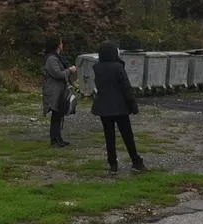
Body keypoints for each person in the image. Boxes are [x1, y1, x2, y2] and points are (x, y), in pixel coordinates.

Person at [90, 42, 147, 175]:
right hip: (120, 107)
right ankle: (136, 161)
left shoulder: (97, 68)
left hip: (103, 107)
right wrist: (133, 106)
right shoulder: (118, 67)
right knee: (127, 135)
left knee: (109, 136)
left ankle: (113, 163)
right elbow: (126, 88)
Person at [42, 36, 77, 147]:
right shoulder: (52, 59)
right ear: (57, 45)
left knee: (60, 114)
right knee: (56, 115)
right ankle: (54, 139)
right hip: (54, 91)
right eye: (61, 43)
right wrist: (69, 70)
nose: (62, 44)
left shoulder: (57, 57)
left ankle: (58, 138)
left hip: (60, 90)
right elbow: (57, 74)